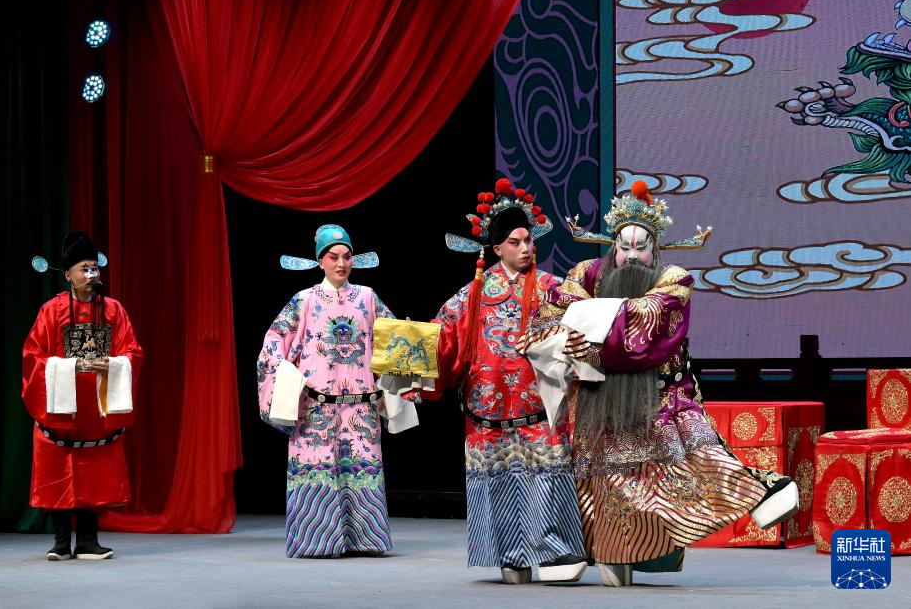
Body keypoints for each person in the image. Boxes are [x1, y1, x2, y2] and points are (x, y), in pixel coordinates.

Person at [522, 181, 799, 586]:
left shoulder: (674, 280)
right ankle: (596, 552)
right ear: (613, 247)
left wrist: (587, 322)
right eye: (624, 247)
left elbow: (645, 321)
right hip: (597, 401)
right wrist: (576, 330)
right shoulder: (586, 273)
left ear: (656, 249)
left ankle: (764, 491)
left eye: (642, 247)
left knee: (694, 463)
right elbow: (553, 312)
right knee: (598, 479)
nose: (632, 256)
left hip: (661, 396)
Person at [429, 178, 586, 584]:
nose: (526, 248)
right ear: (497, 249)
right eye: (516, 242)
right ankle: (510, 557)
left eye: (529, 240)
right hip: (488, 409)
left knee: (547, 479)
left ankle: (554, 553)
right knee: (499, 484)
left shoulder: (553, 289)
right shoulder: (473, 294)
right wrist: (410, 351)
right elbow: (442, 337)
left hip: (539, 408)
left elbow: (585, 327)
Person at [256, 224, 418, 558]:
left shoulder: (368, 297)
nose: (341, 263)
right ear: (320, 261)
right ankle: (316, 541)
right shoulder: (304, 300)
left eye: (347, 256)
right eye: (333, 257)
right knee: (316, 469)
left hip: (360, 405)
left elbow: (393, 339)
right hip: (315, 406)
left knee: (362, 469)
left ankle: (367, 540)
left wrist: (407, 339)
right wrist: (286, 372)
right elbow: (273, 342)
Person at [22, 231, 142, 561]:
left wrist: (115, 363)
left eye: (94, 268)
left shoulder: (114, 311)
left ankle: (88, 541)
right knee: (59, 470)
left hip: (97, 406)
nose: (91, 274)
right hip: (64, 408)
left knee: (95, 473)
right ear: (68, 275)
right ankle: (61, 542)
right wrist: (65, 367)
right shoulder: (51, 311)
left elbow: (133, 351)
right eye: (84, 269)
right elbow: (32, 355)